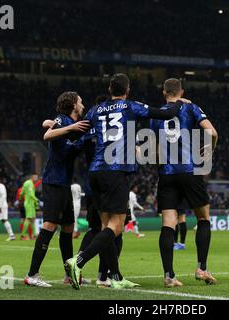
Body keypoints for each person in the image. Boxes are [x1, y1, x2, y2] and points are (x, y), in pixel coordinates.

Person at [66, 73, 187, 290]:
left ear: (110, 89)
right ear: (127, 90)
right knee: (117, 226)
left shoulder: (95, 110)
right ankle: (79, 261)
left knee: (105, 226)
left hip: (95, 172)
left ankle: (115, 277)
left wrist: (54, 127)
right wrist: (178, 101)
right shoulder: (130, 106)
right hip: (115, 171)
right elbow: (166, 113)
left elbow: (75, 133)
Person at [149, 78, 218, 287]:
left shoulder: (156, 115)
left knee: (168, 223)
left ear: (164, 92)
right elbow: (212, 132)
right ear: (182, 91)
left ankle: (169, 275)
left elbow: (154, 150)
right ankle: (202, 269)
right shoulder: (191, 108)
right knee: (203, 219)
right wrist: (209, 151)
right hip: (189, 169)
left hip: (167, 173)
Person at [24, 91, 90, 287]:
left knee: (68, 228)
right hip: (54, 181)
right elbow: (47, 134)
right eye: (80, 102)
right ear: (72, 105)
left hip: (64, 183)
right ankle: (32, 275)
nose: (83, 105)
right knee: (50, 226)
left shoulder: (66, 123)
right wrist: (69, 127)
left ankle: (69, 275)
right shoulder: (63, 120)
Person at [19, 174, 40, 240]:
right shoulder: (30, 183)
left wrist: (20, 199)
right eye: (36, 177)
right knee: (28, 219)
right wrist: (36, 199)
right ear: (32, 177)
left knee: (32, 219)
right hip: (30, 204)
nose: (36, 178)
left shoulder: (25, 183)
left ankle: (34, 236)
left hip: (27, 203)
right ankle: (23, 236)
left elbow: (22, 193)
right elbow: (31, 194)